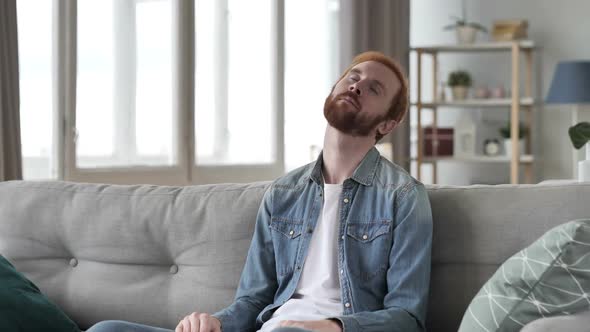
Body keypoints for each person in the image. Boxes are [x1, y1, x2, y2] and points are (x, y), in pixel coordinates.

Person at [88, 51, 433, 332]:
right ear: (334, 88)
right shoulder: (284, 193)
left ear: (387, 124)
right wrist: (215, 323)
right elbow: (253, 301)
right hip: (271, 329)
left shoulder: (402, 197)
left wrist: (333, 326)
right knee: (107, 330)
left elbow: (407, 317)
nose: (357, 86)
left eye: (374, 89)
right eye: (353, 77)